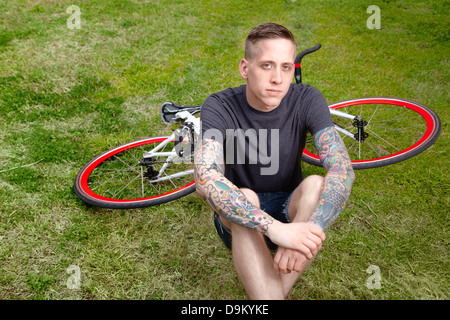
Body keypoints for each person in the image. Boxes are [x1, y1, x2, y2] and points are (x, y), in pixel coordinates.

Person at [194, 22, 355, 300]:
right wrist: (276, 230)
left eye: (286, 67)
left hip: (289, 207)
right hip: (240, 220)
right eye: (267, 65)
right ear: (245, 68)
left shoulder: (307, 98)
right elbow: (206, 178)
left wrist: (307, 231)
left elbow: (341, 169)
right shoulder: (219, 105)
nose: (278, 79)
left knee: (316, 184)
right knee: (244, 196)